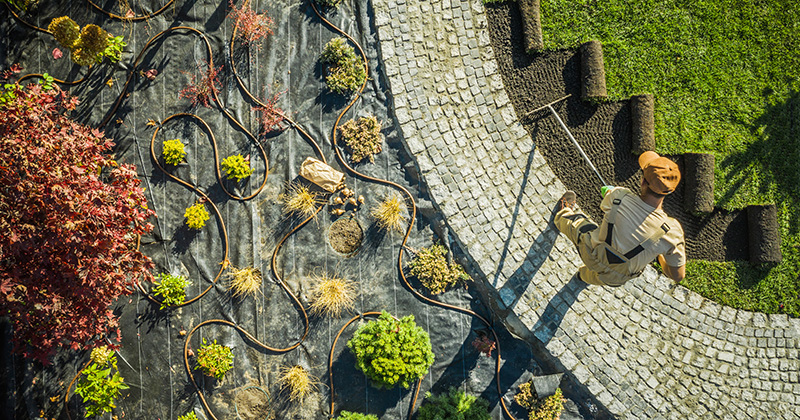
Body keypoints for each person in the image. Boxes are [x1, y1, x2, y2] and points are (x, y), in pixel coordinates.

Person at [554, 151, 686, 286]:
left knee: (575, 222)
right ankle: (582, 277)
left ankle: (561, 214)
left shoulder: (620, 195)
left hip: (590, 251)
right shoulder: (672, 233)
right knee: (598, 278)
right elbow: (678, 276)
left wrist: (610, 192)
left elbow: (605, 205)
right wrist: (661, 258)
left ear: (643, 181)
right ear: (670, 190)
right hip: (616, 277)